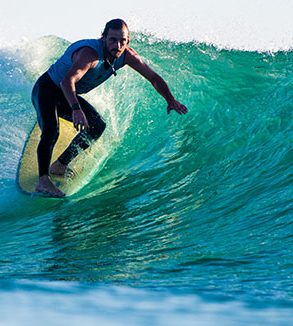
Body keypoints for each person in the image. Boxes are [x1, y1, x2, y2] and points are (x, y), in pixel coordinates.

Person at [31, 18, 188, 197]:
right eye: (113, 39)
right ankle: (43, 181)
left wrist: (170, 99)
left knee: (97, 125)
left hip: (66, 94)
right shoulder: (89, 55)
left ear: (128, 41)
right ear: (103, 37)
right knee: (52, 131)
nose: (118, 45)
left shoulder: (127, 56)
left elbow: (153, 78)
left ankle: (60, 165)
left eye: (122, 40)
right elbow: (67, 81)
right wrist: (76, 109)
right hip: (48, 88)